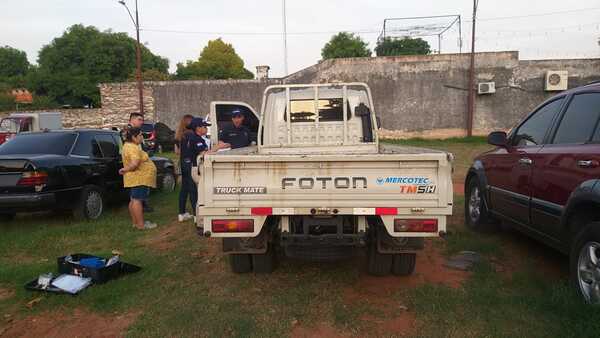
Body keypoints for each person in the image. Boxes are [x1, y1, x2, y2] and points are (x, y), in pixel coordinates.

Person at [119, 127, 158, 230]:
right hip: (139, 178)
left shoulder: (129, 146)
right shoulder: (133, 148)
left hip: (135, 178)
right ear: (133, 137)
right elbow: (135, 163)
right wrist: (125, 169)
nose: (142, 137)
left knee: (133, 200)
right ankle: (141, 224)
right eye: (140, 135)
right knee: (137, 200)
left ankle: (136, 223)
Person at [178, 117, 211, 222]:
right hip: (191, 165)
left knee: (185, 188)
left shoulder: (185, 135)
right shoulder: (195, 138)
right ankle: (197, 216)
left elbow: (178, 151)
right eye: (204, 127)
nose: (206, 129)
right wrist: (217, 148)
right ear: (198, 128)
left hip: (184, 162)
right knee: (194, 190)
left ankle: (182, 213)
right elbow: (203, 153)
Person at [121, 112, 154, 213]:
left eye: (142, 120)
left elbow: (141, 146)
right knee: (135, 197)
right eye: (139, 120)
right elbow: (129, 146)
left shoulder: (137, 131)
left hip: (139, 166)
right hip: (133, 165)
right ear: (132, 119)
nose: (142, 122)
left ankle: (142, 206)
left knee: (138, 196)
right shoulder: (126, 131)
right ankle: (139, 215)